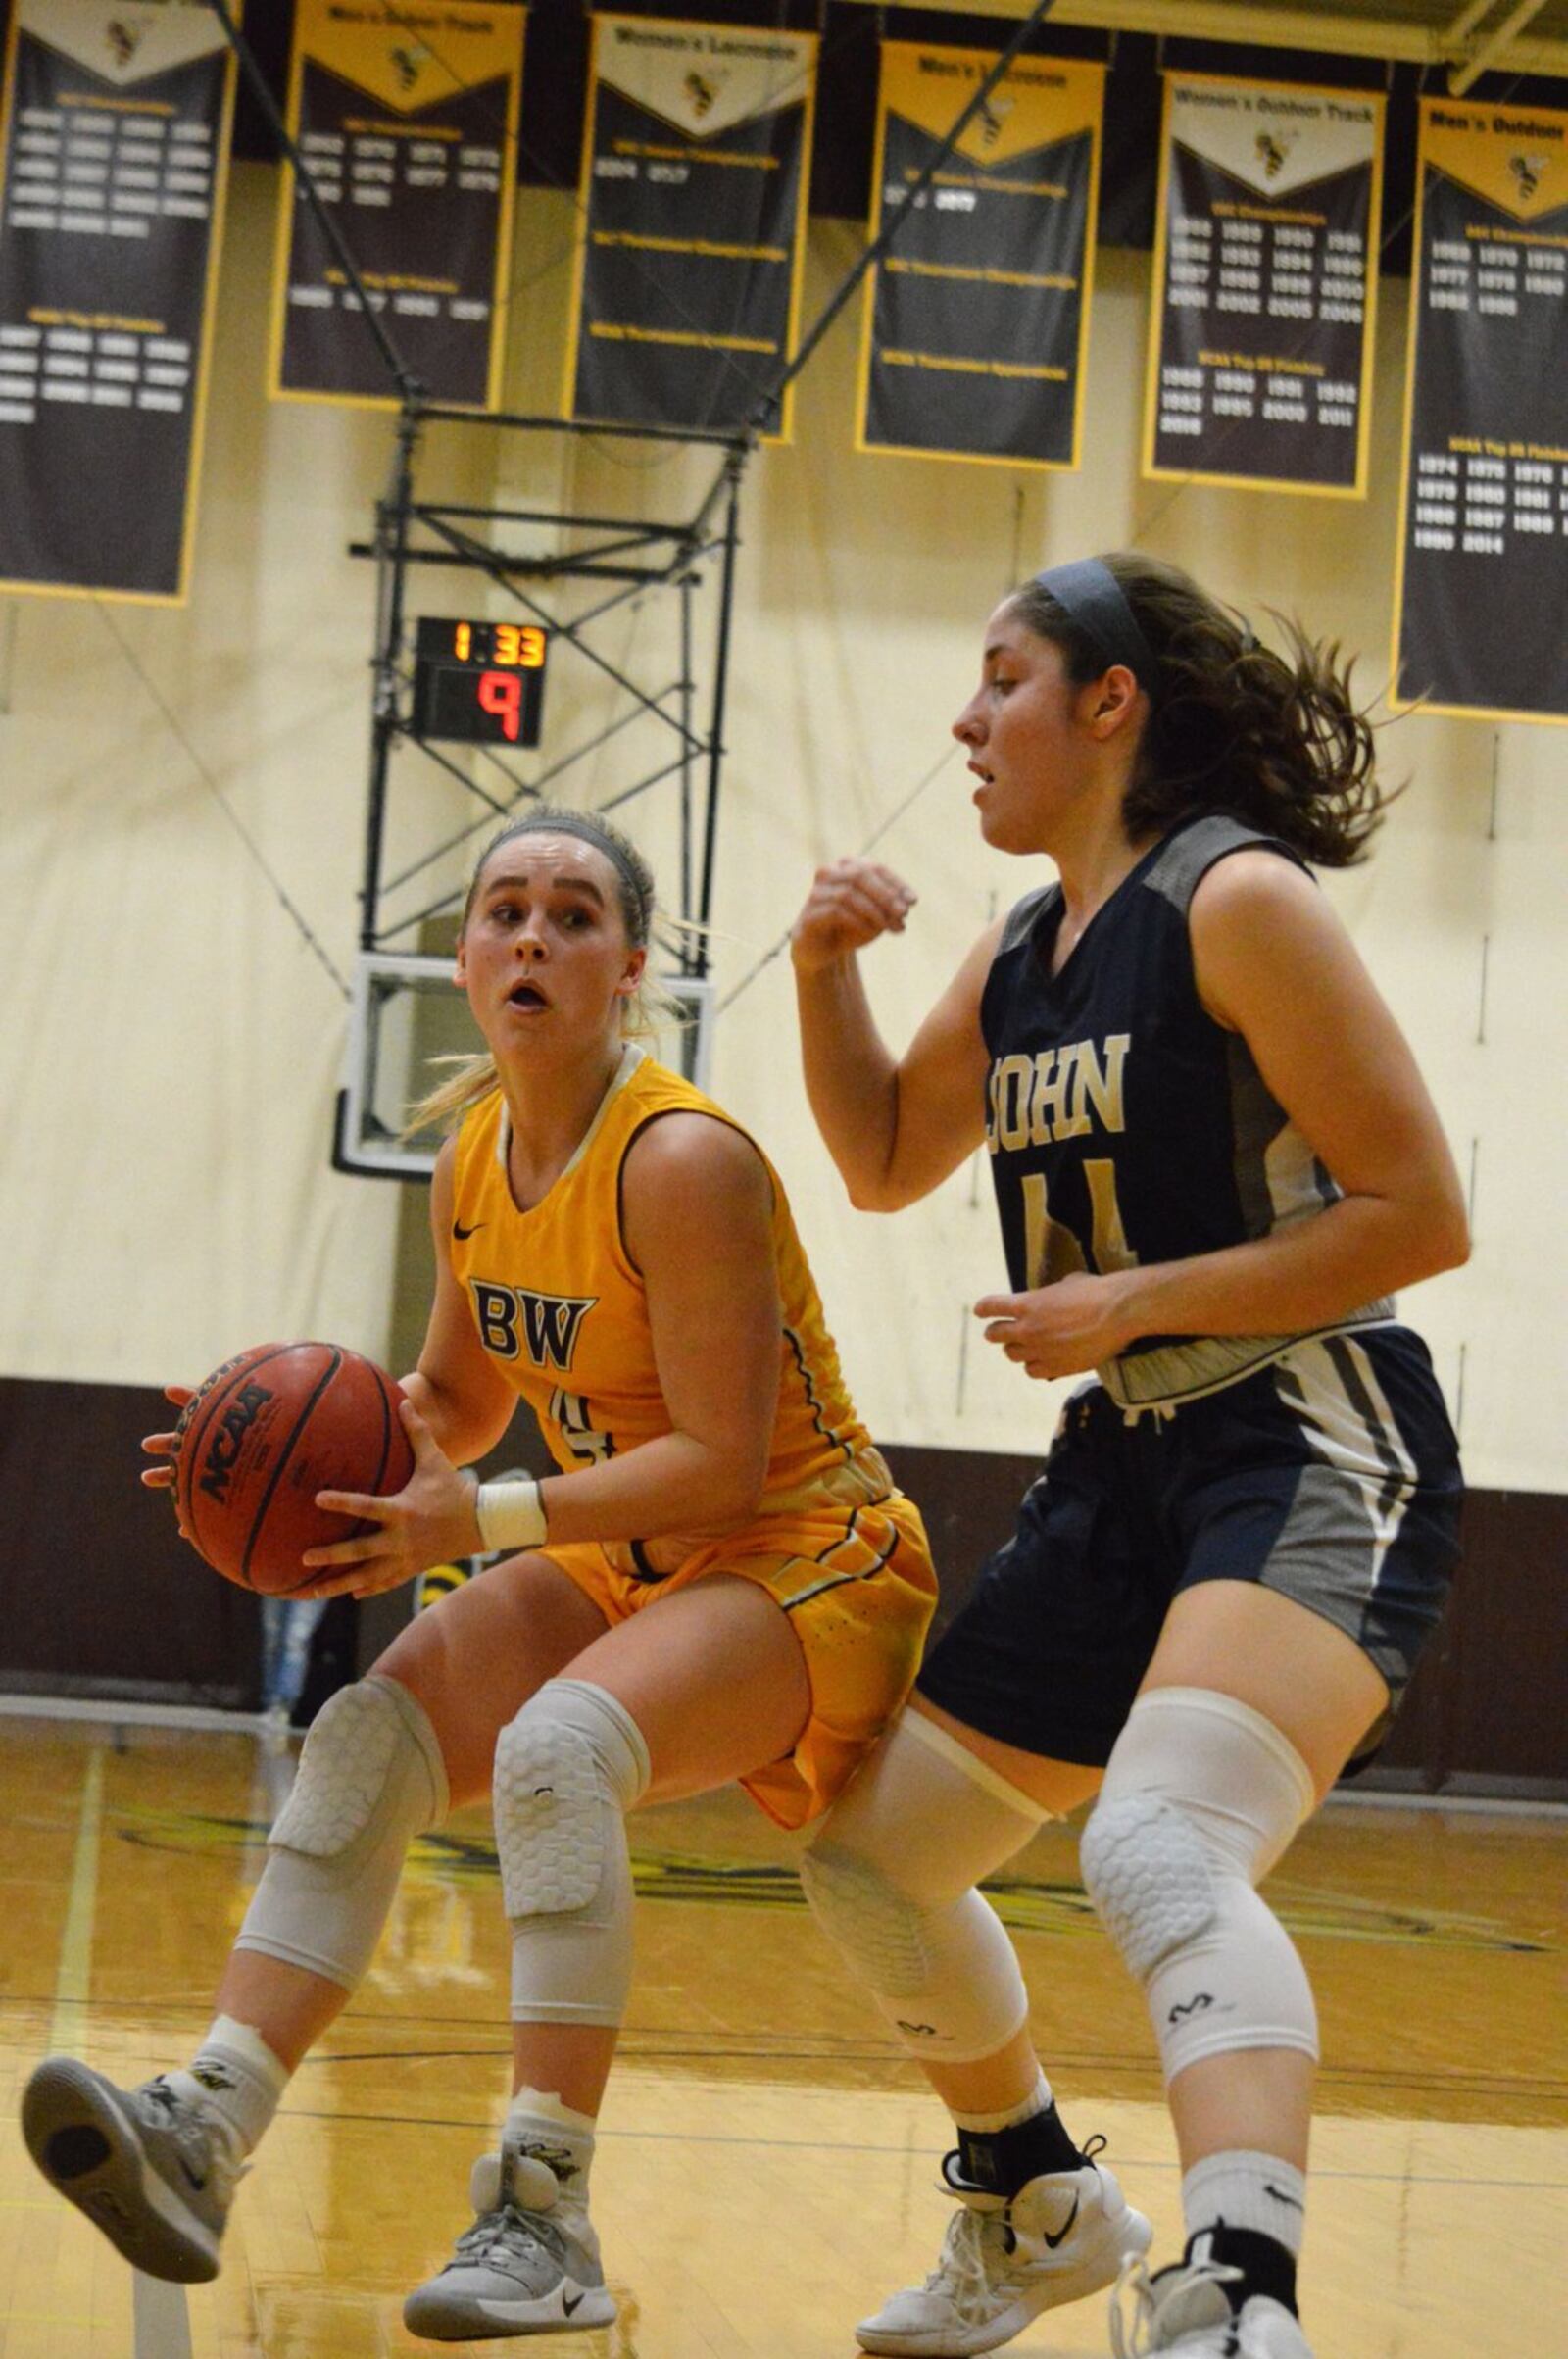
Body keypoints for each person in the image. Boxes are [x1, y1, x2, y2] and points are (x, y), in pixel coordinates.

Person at [22, 806, 940, 2342]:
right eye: (505, 910)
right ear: (462, 957)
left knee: (560, 1749)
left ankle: (542, 2211)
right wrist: (286, 1448)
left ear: (629, 967)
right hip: (631, 1554)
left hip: (810, 1556)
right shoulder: (471, 1161)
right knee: (367, 1734)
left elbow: (722, 1460)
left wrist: (482, 1525)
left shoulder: (687, 1158)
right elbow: (454, 1404)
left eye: (573, 915)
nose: (532, 935)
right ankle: (207, 2125)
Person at [788, 555, 1467, 2359]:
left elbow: (1422, 1213)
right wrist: (817, 970)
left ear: (1111, 706)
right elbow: (875, 1155)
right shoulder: (1019, 950)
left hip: (1309, 1426)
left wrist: (1137, 1297)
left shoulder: (1236, 902)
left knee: (1162, 1844)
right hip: (1123, 1461)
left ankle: (1241, 2299)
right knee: (867, 1861)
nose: (964, 719)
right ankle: (1040, 2207)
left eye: (1003, 678)